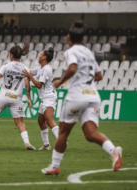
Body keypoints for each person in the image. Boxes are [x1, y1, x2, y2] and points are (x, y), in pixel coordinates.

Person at [41, 20, 122, 175]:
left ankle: (54, 166)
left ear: (68, 38)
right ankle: (114, 151)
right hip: (93, 97)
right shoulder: (89, 53)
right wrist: (85, 79)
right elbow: (99, 75)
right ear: (84, 39)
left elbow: (72, 68)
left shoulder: (71, 51)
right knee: (90, 134)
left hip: (77, 96)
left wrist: (60, 82)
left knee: (63, 133)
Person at [22, 47, 59, 150]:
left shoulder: (47, 69)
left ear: (44, 57)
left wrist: (30, 76)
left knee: (49, 121)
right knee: (41, 121)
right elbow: (28, 72)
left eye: (40, 55)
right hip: (44, 99)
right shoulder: (40, 68)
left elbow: (39, 85)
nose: (38, 56)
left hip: (49, 98)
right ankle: (46, 145)